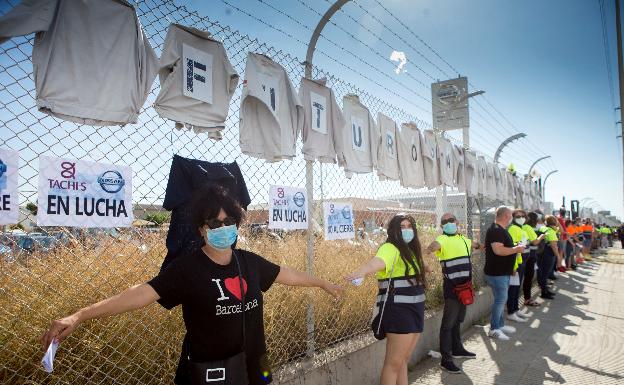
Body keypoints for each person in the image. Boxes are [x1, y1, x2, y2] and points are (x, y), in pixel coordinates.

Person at [41, 186, 343, 385]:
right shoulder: (187, 269)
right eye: (214, 223)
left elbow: (286, 275)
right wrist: (80, 314)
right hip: (209, 375)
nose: (223, 228)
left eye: (230, 222)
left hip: (254, 370)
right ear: (201, 229)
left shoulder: (249, 262)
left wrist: (322, 283)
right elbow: (141, 293)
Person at [347, 214, 428, 385]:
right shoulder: (391, 247)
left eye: (409, 226)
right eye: (402, 227)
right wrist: (362, 271)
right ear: (393, 230)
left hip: (415, 310)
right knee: (393, 364)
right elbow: (377, 262)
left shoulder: (410, 250)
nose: (407, 230)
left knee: (403, 360)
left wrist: (424, 267)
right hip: (399, 312)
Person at [426, 213, 481, 374]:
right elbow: (432, 246)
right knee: (448, 324)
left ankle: (457, 349)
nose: (449, 223)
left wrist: (483, 245)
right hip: (452, 289)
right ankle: (446, 359)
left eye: (451, 220)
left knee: (458, 320)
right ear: (442, 226)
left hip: (466, 288)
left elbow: (475, 245)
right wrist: (428, 249)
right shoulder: (443, 239)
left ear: (457, 222)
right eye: (445, 222)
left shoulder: (464, 239)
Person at [484, 207, 525, 340]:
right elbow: (498, 250)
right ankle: (494, 329)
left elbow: (503, 248)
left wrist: (514, 248)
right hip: (497, 273)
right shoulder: (496, 230)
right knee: (501, 300)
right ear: (507, 216)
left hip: (502, 272)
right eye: (511, 215)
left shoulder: (500, 230)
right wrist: (516, 249)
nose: (512, 218)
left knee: (500, 300)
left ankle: (499, 325)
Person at [505, 209, 530, 323]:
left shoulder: (521, 228)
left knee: (517, 287)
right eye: (518, 216)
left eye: (523, 216)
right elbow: (513, 248)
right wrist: (514, 266)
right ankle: (511, 312)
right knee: (513, 288)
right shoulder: (513, 229)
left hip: (522, 261)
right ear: (513, 218)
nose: (521, 218)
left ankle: (515, 309)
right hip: (517, 263)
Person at [523, 212, 545, 307]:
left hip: (523, 254)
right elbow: (535, 242)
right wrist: (542, 236)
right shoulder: (528, 228)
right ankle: (527, 299)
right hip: (530, 255)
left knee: (521, 279)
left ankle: (514, 303)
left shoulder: (522, 227)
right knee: (528, 277)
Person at [538, 216, 561, 300]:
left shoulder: (543, 228)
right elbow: (553, 245)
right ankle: (544, 292)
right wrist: (558, 257)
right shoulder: (551, 231)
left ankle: (545, 290)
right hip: (549, 254)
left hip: (541, 253)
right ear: (554, 222)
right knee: (545, 273)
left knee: (542, 273)